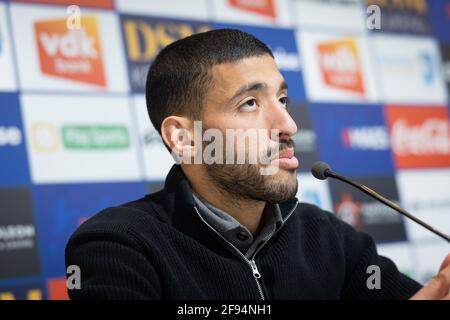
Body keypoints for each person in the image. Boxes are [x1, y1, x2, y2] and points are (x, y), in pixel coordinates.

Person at [65, 29, 450, 300]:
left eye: (281, 100)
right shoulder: (117, 246)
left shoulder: (328, 237)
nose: (289, 126)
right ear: (183, 138)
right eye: (249, 104)